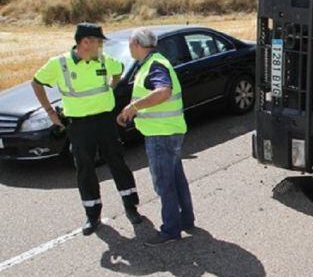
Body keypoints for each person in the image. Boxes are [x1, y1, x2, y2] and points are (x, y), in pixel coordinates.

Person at [31, 23, 141, 235]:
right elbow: (36, 83)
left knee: (117, 162)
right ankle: (92, 215)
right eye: (99, 42)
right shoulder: (59, 63)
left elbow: (118, 72)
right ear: (85, 42)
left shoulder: (104, 60)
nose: (101, 46)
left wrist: (110, 89)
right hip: (79, 125)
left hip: (105, 121)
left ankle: (131, 207)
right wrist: (50, 111)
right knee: (85, 169)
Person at [117, 28, 195, 247]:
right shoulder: (153, 63)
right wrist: (132, 112)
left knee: (164, 183)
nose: (129, 48)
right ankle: (186, 220)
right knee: (176, 178)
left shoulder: (155, 65)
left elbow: (163, 91)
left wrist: (133, 107)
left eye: (130, 44)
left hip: (161, 134)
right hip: (169, 130)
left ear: (136, 44)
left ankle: (170, 230)